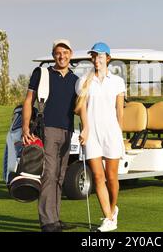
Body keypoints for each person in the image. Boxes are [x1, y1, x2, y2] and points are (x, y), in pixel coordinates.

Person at [22, 39, 83, 232]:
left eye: (65, 53)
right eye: (58, 53)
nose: (62, 56)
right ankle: (48, 222)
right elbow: (29, 100)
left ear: (70, 54)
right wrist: (25, 128)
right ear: (53, 55)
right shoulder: (42, 74)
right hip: (47, 130)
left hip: (67, 131)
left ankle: (55, 219)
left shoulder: (75, 80)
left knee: (60, 175)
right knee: (48, 174)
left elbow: (80, 108)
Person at [75, 42, 126, 232]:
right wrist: (85, 128)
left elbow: (119, 112)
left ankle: (112, 211)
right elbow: (81, 108)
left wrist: (120, 135)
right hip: (92, 134)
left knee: (112, 177)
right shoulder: (84, 81)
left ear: (108, 58)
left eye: (101, 56)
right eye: (94, 56)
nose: (97, 59)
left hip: (111, 133)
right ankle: (108, 218)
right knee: (98, 176)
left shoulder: (117, 82)